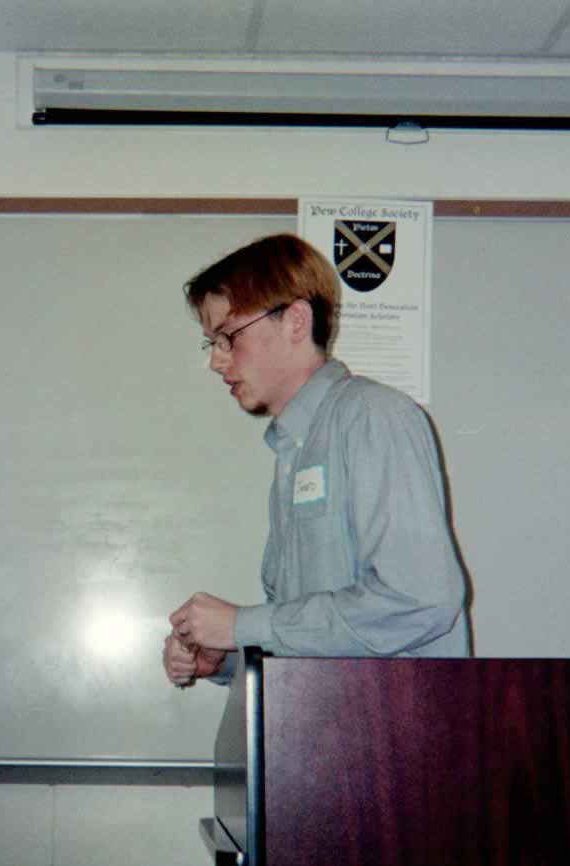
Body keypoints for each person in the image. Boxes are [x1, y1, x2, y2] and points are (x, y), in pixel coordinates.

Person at [163, 233, 470, 687]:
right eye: (212, 344)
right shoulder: (294, 450)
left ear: (296, 321)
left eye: (227, 336)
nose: (216, 361)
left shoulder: (371, 416)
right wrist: (224, 657)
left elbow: (420, 601)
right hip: (333, 734)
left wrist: (241, 626)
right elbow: (310, 637)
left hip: (401, 739)